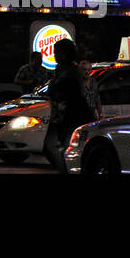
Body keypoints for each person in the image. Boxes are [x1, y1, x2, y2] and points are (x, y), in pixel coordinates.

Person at [44, 39, 93, 173]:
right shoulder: (60, 70)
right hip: (59, 116)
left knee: (59, 147)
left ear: (64, 54)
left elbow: (74, 96)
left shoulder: (71, 72)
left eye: (56, 52)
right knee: (53, 147)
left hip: (69, 116)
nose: (54, 55)